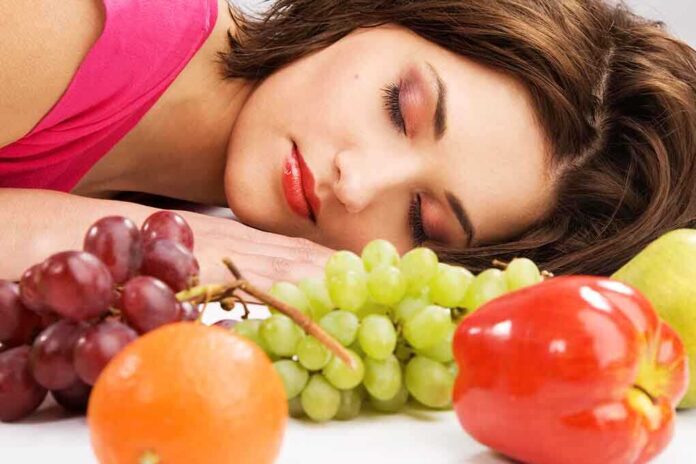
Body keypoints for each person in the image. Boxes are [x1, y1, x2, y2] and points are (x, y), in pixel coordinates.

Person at [1, 0, 694, 290]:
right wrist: (115, 238)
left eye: (424, 221)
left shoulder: (179, 197)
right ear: (374, 13)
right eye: (399, 107)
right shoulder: (54, 26)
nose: (356, 183)